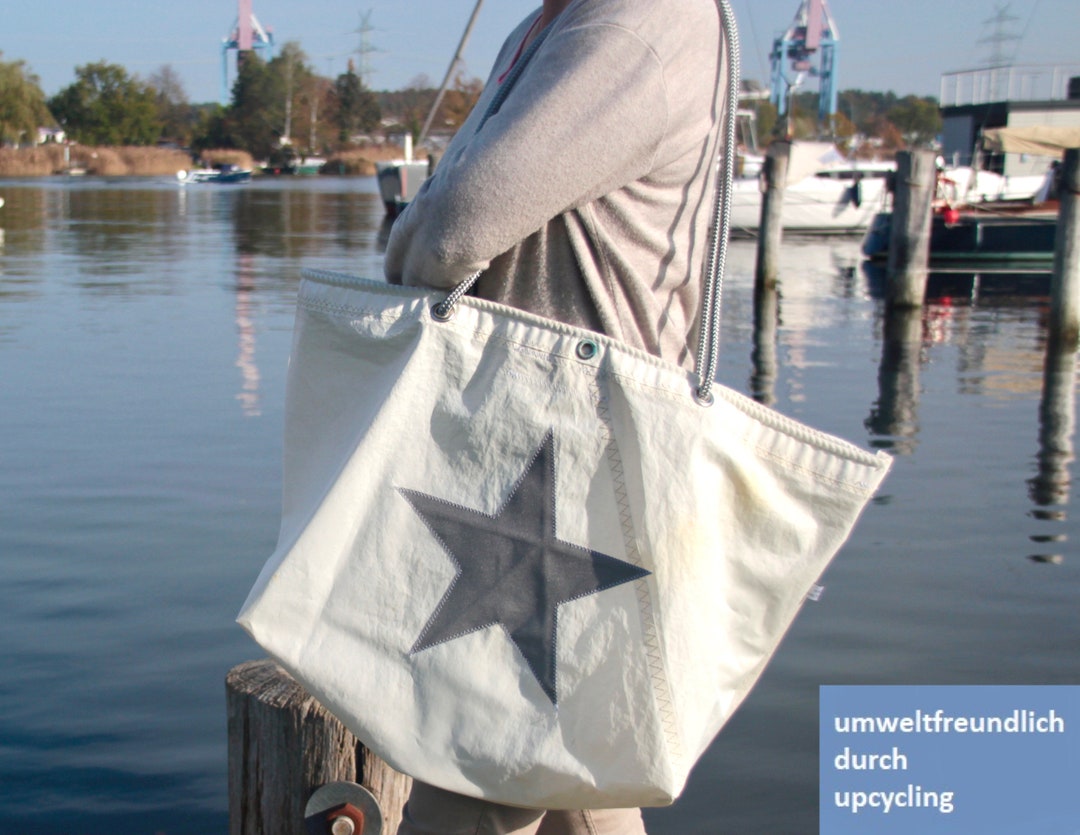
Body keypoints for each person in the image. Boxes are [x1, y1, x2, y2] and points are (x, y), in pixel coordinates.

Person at [384, 0, 728, 831]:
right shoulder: (556, 23)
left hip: (560, 472)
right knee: (577, 780)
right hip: (542, 464)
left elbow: (458, 221)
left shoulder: (629, 24)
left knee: (475, 773)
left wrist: (400, 247)